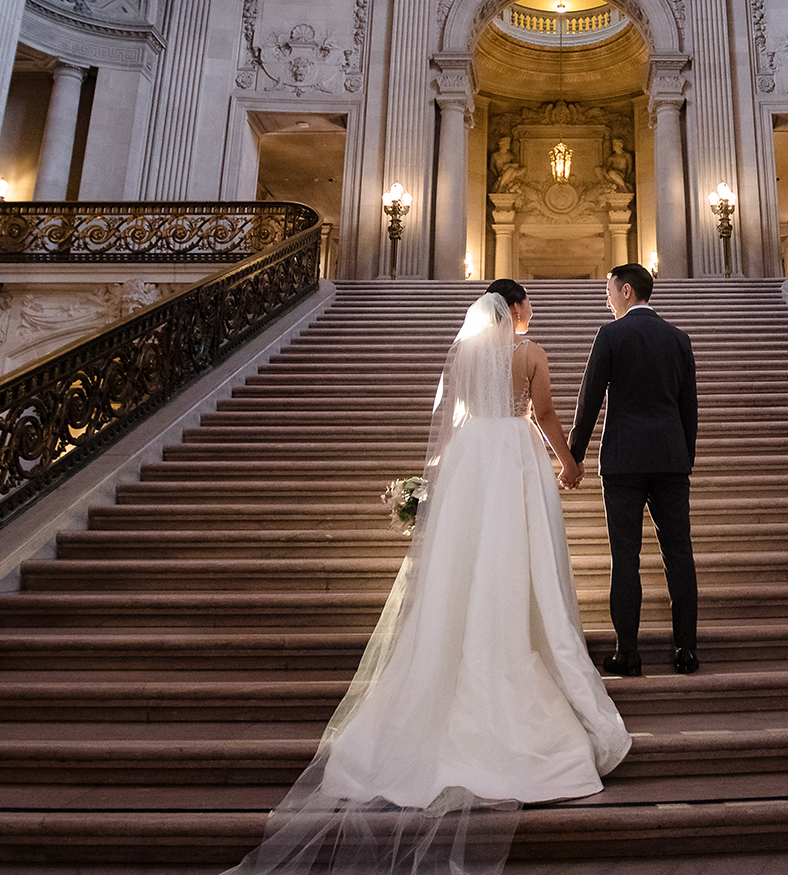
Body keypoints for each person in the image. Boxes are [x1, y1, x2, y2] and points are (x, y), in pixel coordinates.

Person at [223, 281, 628, 875]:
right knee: (521, 558)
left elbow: (452, 415)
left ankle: (449, 662)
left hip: (469, 459)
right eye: (528, 304)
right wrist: (567, 460)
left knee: (461, 567)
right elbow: (541, 412)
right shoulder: (531, 351)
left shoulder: (462, 353)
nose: (531, 312)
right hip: (513, 455)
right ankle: (512, 649)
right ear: (515, 309)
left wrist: (435, 480)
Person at [568, 262, 699, 677]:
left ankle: (628, 653)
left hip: (623, 460)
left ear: (626, 291)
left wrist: (574, 456)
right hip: (670, 460)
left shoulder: (611, 335)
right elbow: (688, 408)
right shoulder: (679, 339)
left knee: (625, 556)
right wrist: (684, 457)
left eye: (608, 290)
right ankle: (686, 651)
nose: (606, 299)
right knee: (679, 552)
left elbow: (589, 401)